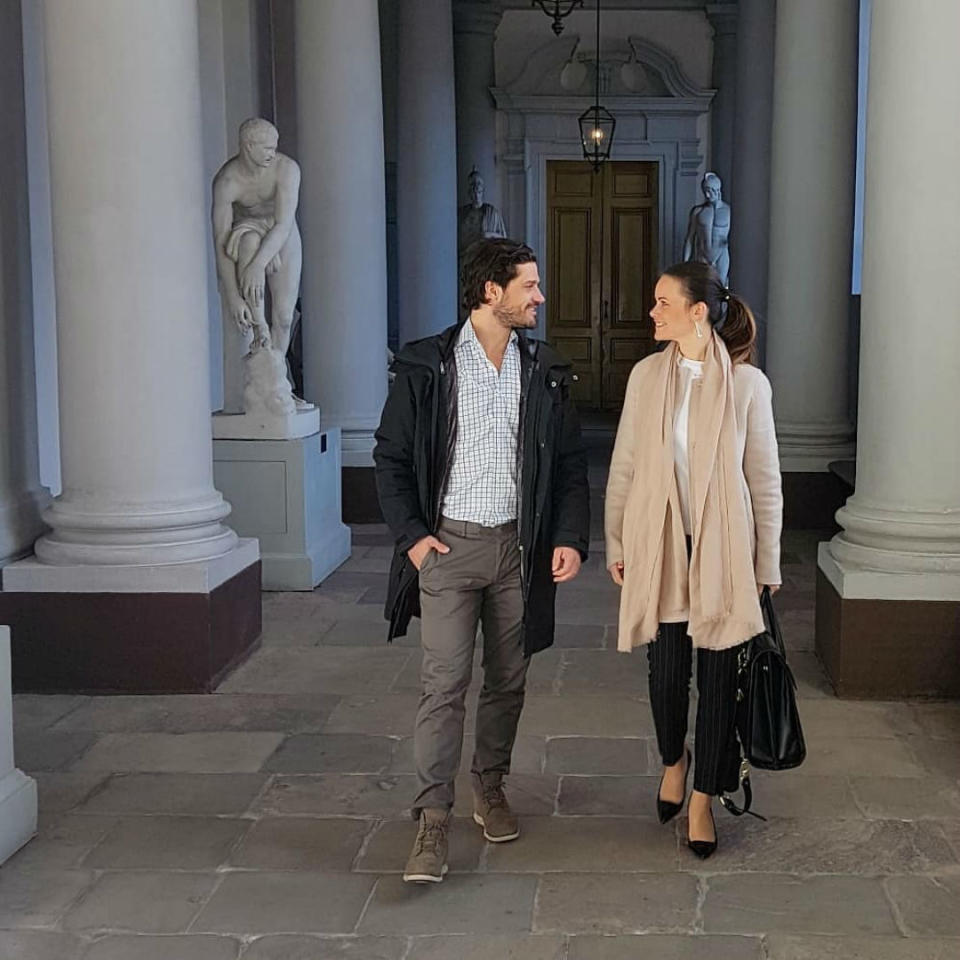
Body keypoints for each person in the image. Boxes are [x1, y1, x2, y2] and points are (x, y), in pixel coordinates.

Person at [374, 238, 590, 883]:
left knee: (510, 679)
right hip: (447, 548)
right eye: (529, 286)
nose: (540, 298)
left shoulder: (543, 369)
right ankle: (431, 819)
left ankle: (489, 786)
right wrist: (413, 536)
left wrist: (570, 537)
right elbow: (390, 458)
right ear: (491, 291)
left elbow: (572, 466)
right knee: (444, 685)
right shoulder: (427, 365)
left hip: (518, 550)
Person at [604, 260, 782, 859]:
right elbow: (625, 464)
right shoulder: (647, 377)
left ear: (696, 311)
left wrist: (768, 564)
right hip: (660, 544)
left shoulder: (748, 386)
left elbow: (764, 480)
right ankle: (672, 759)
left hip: (724, 552)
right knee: (665, 674)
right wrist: (618, 541)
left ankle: (703, 798)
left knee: (718, 681)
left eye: (662, 302)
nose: (652, 312)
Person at [211, 117, 309, 406]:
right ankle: (260, 336)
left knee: (285, 315)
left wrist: (257, 266)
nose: (272, 153)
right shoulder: (228, 182)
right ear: (248, 146)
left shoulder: (287, 169)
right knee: (246, 241)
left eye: (275, 147)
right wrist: (232, 296)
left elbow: (283, 224)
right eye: (266, 148)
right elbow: (220, 241)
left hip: (283, 233)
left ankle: (278, 384)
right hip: (247, 234)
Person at [682, 172, 731, 288]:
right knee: (702, 290)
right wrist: (685, 264)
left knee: (720, 289)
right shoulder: (698, 212)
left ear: (717, 190)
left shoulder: (728, 211)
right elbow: (689, 239)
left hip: (721, 256)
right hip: (702, 256)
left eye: (710, 191)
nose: (707, 195)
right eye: (705, 191)